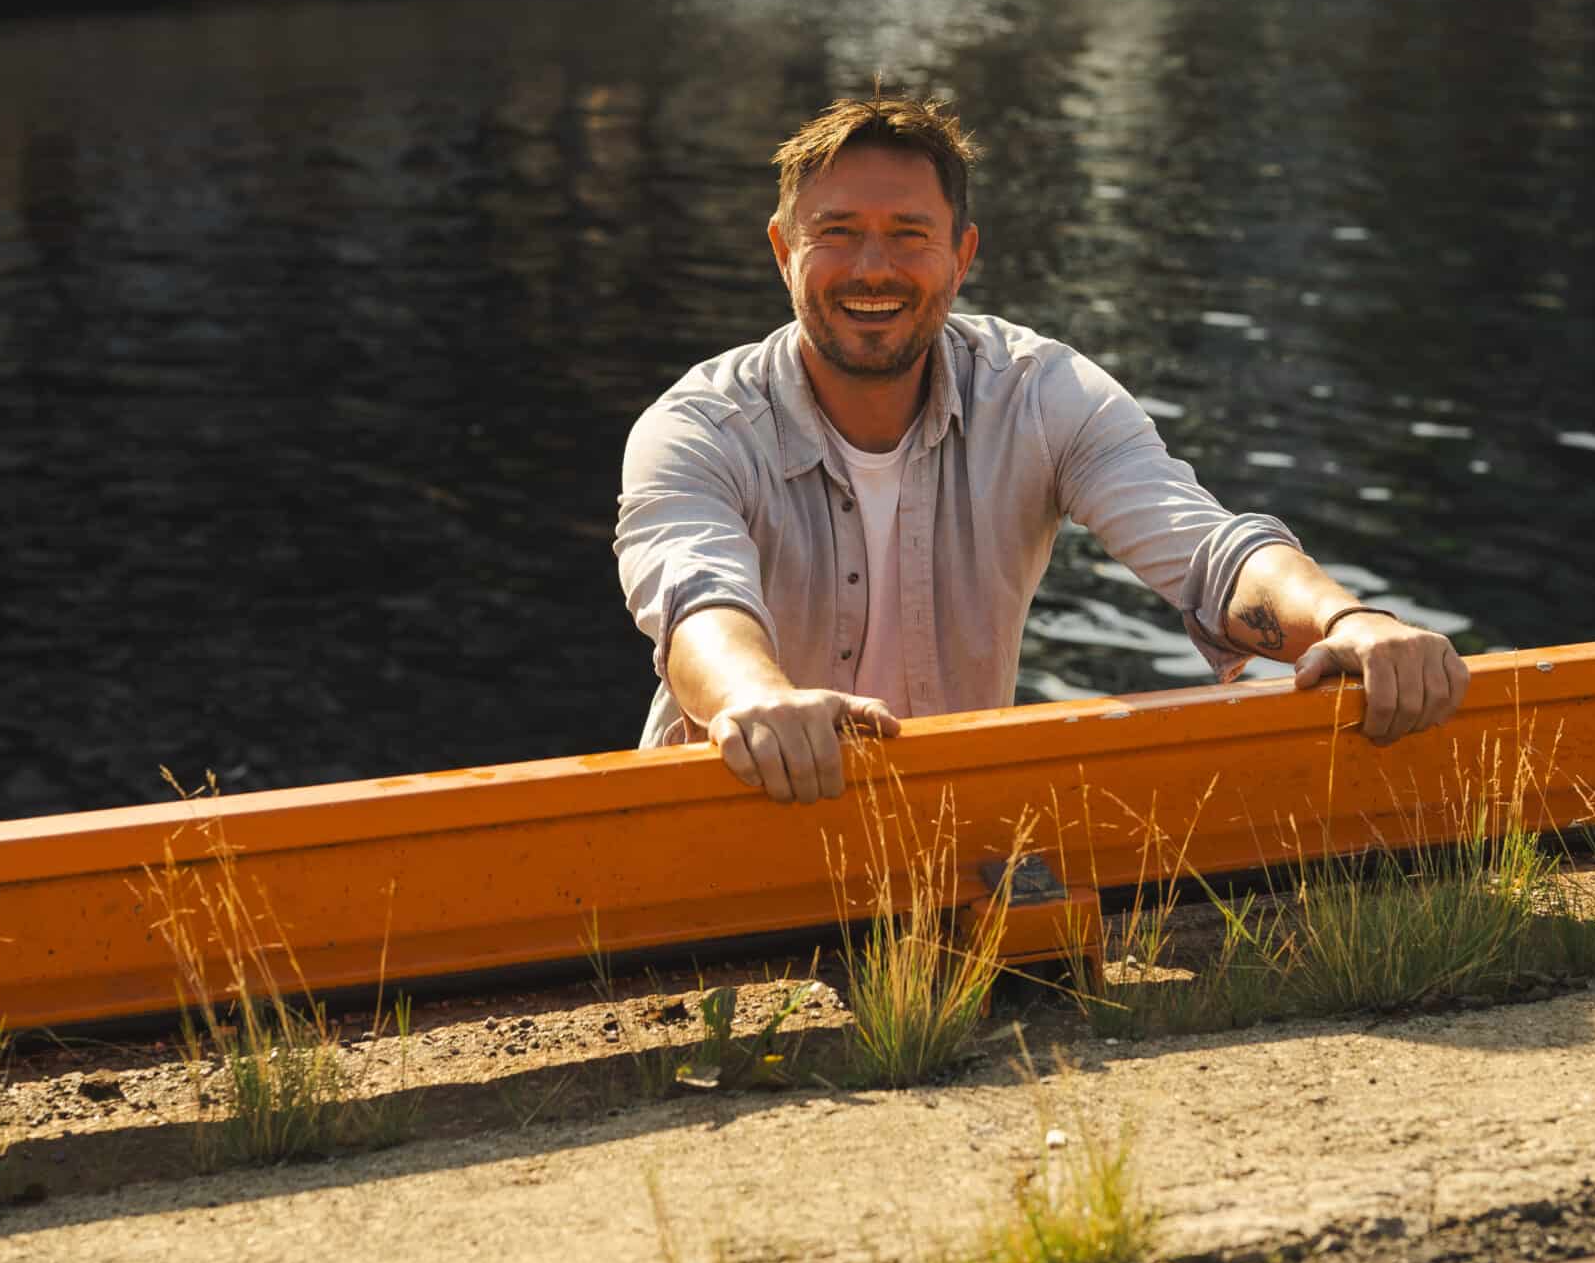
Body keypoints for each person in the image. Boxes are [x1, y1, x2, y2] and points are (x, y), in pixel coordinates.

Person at [616, 92, 1468, 804]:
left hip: (953, 824)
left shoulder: (1039, 393)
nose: (871, 267)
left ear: (962, 256)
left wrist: (1347, 621)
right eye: (836, 231)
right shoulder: (695, 428)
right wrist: (758, 699)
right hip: (728, 823)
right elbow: (697, 601)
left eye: (910, 234)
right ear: (781, 250)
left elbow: (1208, 551)